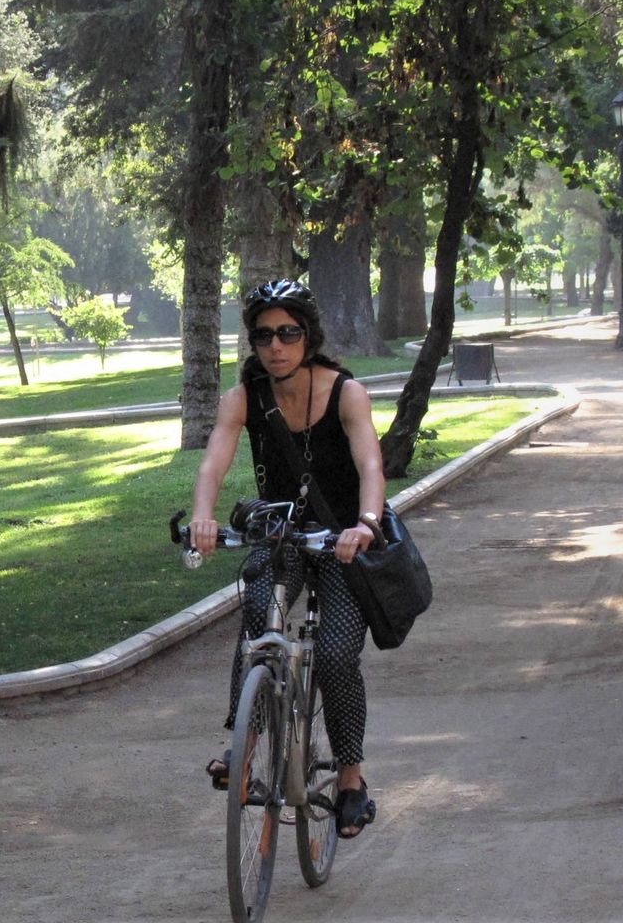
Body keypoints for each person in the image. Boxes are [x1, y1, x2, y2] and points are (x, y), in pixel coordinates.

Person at [188, 280, 386, 839]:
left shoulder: (346, 392)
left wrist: (365, 526)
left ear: (308, 336)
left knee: (338, 652)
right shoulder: (245, 396)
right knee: (257, 612)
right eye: (263, 335)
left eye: (288, 333)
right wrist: (204, 518)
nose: (276, 346)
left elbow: (371, 466)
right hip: (282, 534)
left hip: (344, 537)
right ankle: (243, 748)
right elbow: (213, 466)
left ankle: (350, 778)